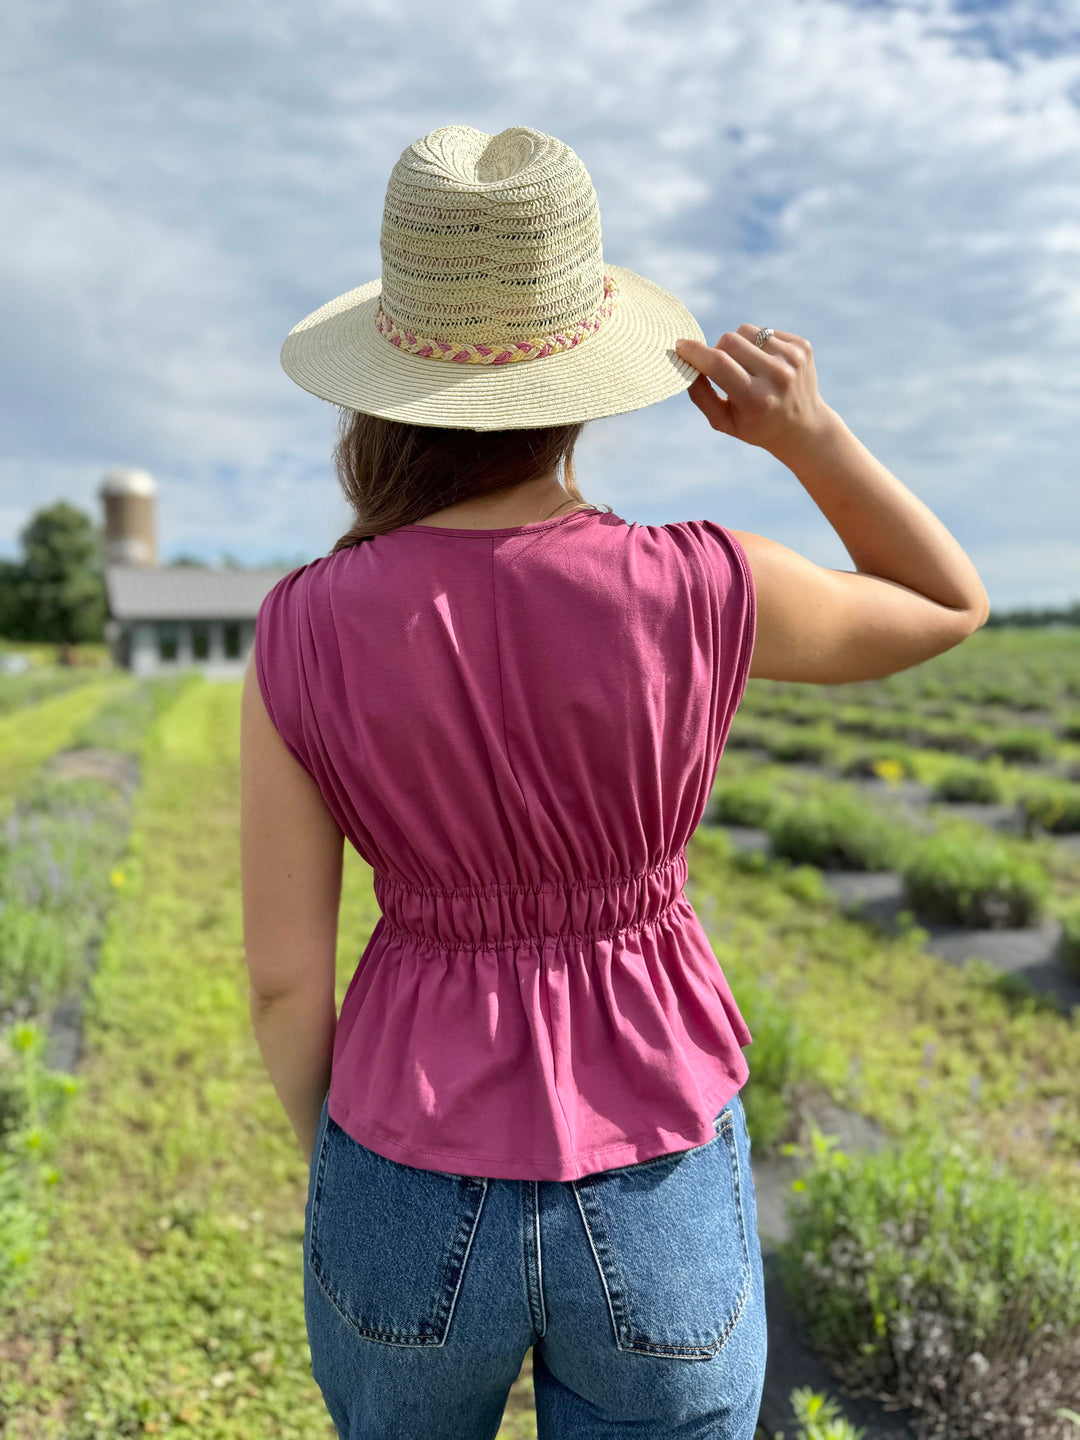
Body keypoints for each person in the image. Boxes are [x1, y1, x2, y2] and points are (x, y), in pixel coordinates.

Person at [239, 125, 989, 1440]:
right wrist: (810, 439)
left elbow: (283, 980)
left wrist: (351, 1160)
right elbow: (944, 602)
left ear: (386, 384)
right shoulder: (699, 584)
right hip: (657, 1156)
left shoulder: (302, 624)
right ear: (584, 372)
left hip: (400, 1151)